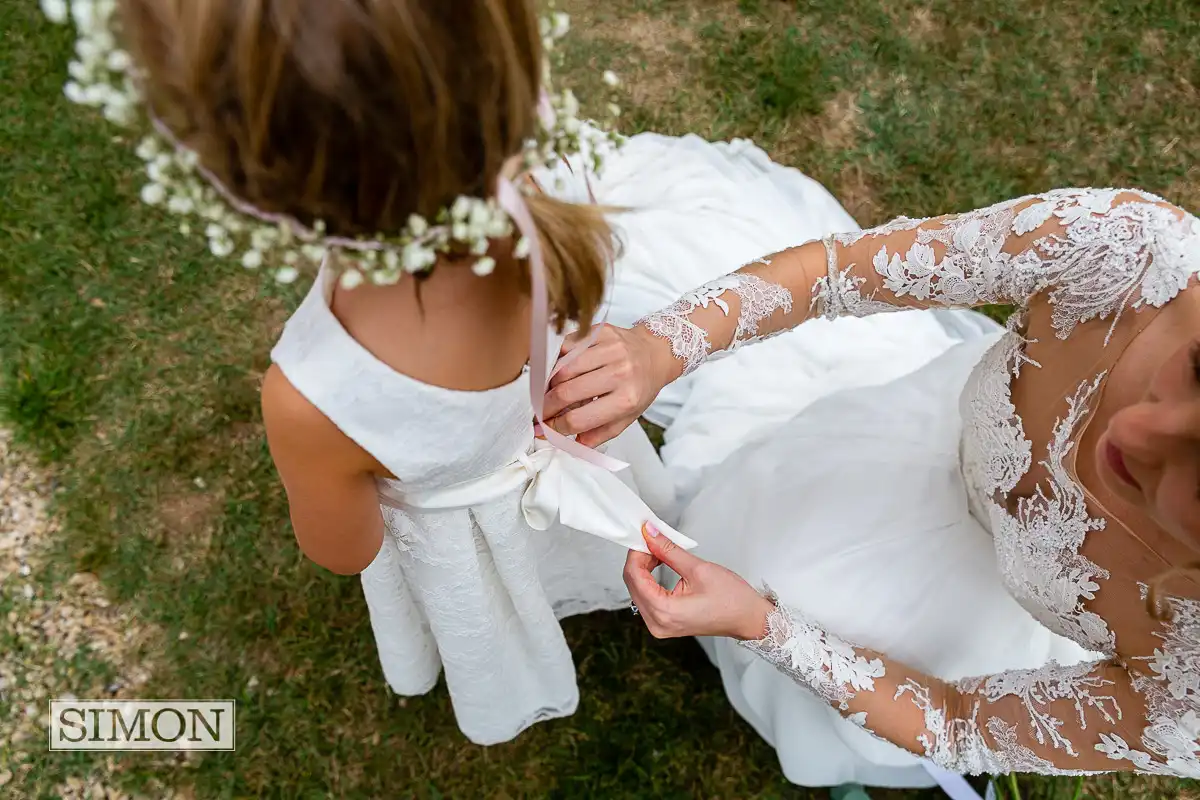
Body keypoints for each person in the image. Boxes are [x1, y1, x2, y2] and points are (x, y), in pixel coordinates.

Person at [51, 0, 977, 748]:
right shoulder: (537, 212)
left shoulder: (309, 398)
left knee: (494, 587)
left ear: (246, 193)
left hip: (464, 533)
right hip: (552, 455)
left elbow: (343, 548)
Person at [546, 188, 1200, 784]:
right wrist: (662, 348)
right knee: (762, 517)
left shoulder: (1190, 686)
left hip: (970, 627)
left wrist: (762, 624)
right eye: (1196, 373)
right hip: (909, 446)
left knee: (805, 615)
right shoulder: (1130, 253)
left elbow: (957, 722)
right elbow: (832, 274)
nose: (1137, 431)